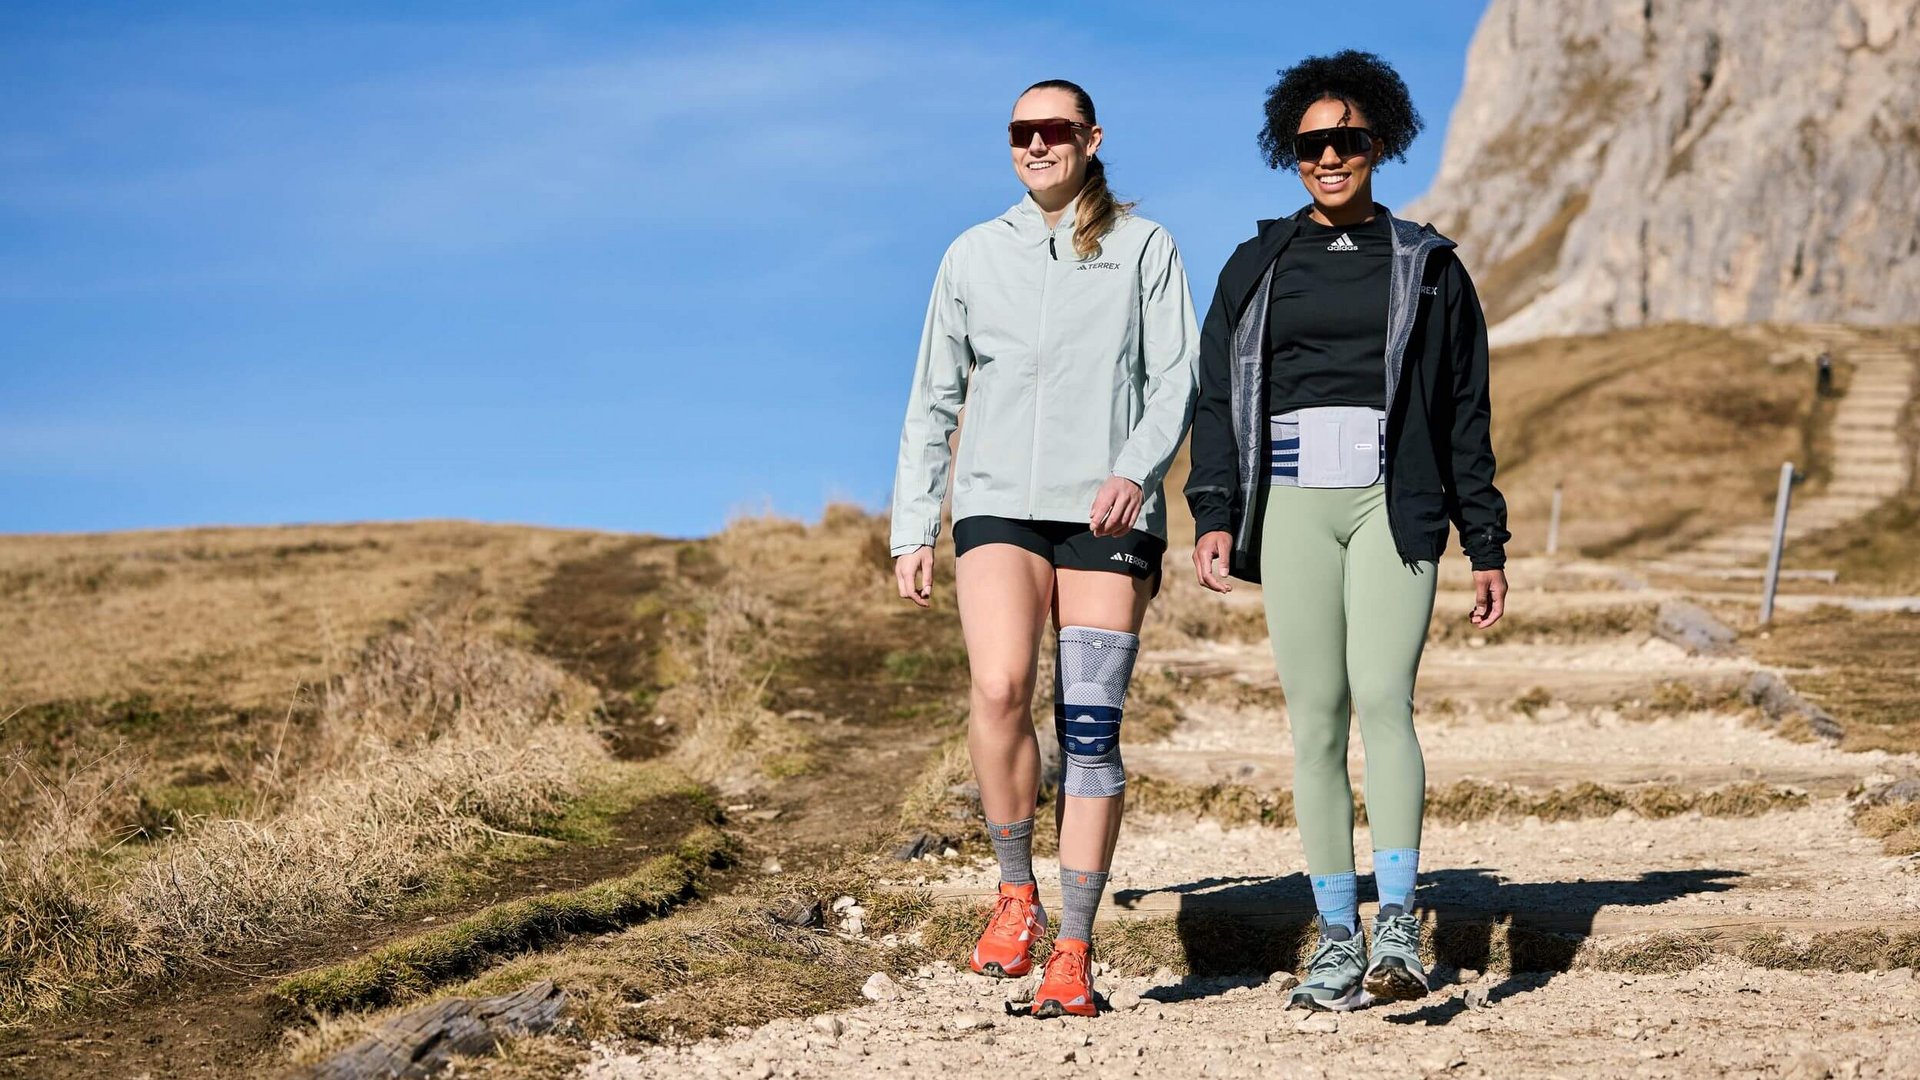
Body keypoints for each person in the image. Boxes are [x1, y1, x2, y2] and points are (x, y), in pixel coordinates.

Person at [1185, 50, 1510, 1011]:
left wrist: (1484, 541)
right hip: (1289, 506)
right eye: (1312, 144)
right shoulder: (1255, 266)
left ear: (1382, 144)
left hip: (1389, 503)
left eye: (1350, 141)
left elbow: (1465, 410)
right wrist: (1212, 512)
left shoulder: (1430, 264)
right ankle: (1336, 936)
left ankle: (1399, 927)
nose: (1330, 157)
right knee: (1316, 718)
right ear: (1292, 151)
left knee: (1383, 699)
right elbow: (1217, 401)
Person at [890, 79, 1199, 1018]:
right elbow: (933, 397)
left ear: (1091, 138)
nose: (1036, 145)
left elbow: (1177, 374)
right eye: (1021, 132)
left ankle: (1074, 944)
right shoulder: (974, 255)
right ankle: (1015, 888)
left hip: (1108, 513)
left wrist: (1137, 469)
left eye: (1054, 130)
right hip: (996, 509)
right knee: (996, 690)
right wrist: (913, 523)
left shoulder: (1145, 248)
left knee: (1092, 723)